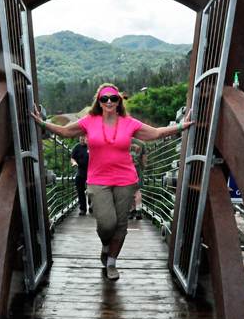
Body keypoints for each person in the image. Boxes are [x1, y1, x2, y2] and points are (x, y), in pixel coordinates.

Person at [31, 83, 194, 281]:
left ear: (118, 102)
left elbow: (155, 133)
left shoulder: (128, 122)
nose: (109, 101)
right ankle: (106, 245)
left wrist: (179, 127)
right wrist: (42, 124)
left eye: (113, 98)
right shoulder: (89, 121)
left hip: (126, 180)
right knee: (106, 223)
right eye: (104, 98)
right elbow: (65, 132)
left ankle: (111, 262)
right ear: (99, 102)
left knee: (121, 225)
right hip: (98, 179)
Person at [129, 138, 147, 220]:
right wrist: (142, 169)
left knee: (129, 190)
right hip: (137, 170)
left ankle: (131, 210)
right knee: (137, 190)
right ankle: (138, 209)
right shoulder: (141, 143)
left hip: (126, 171)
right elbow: (144, 159)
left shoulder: (124, 141)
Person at [71, 134, 89, 215]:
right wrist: (74, 162)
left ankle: (91, 204)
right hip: (80, 172)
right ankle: (83, 208)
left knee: (92, 191)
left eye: (83, 139)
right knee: (80, 191)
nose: (81, 141)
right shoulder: (77, 147)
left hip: (91, 173)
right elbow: (72, 157)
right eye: (80, 139)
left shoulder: (91, 146)